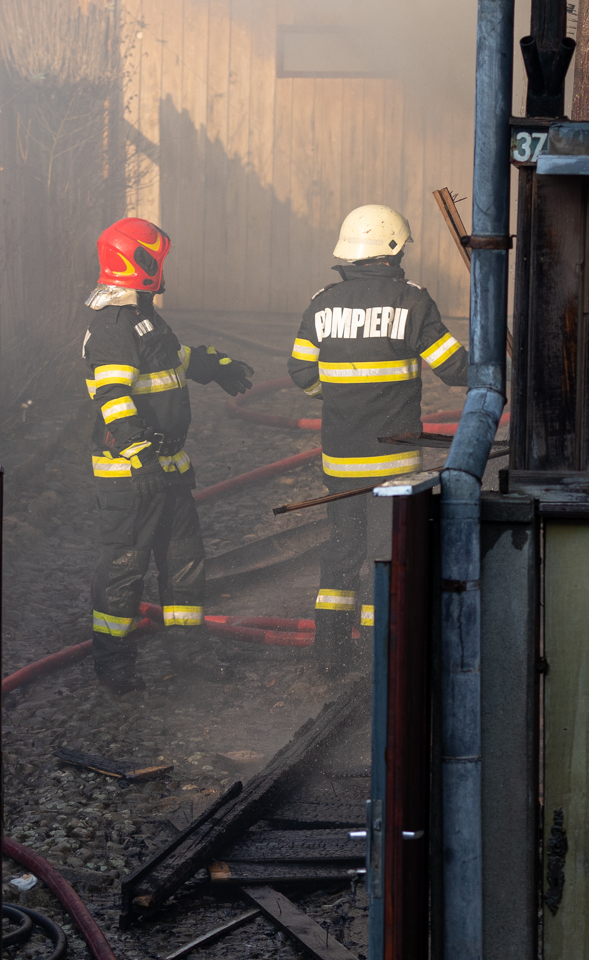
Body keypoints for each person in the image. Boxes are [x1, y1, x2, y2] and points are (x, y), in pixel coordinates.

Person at [81, 217, 253, 695]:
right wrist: (139, 456)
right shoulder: (113, 325)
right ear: (137, 261)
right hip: (131, 474)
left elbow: (170, 359)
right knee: (124, 568)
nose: (162, 266)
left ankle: (191, 656)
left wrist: (213, 366)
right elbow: (113, 397)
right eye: (155, 257)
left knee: (184, 563)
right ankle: (116, 670)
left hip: (169, 467)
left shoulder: (143, 317)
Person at [287, 205, 462, 671]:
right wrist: (501, 364)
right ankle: (378, 659)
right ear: (391, 249)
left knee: (342, 552)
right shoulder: (412, 301)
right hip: (394, 465)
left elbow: (301, 372)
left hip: (341, 461)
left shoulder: (321, 303)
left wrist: (342, 395)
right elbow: (454, 368)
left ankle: (328, 656)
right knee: (387, 556)